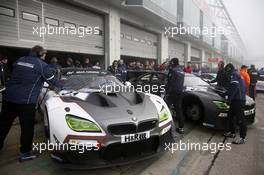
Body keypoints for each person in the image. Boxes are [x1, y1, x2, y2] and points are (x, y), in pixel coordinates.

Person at [0, 45, 62, 161]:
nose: (45, 56)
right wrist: (65, 87)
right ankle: (25, 153)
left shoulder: (20, 60)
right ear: (40, 54)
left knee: (3, 124)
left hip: (8, 98)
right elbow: (54, 81)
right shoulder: (42, 66)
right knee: (27, 128)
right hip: (26, 101)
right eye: (44, 54)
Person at [223, 63, 247, 144]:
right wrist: (224, 94)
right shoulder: (238, 74)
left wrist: (228, 99)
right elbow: (232, 88)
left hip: (238, 100)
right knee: (230, 116)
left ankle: (242, 138)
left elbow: (234, 87)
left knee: (240, 119)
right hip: (238, 99)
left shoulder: (234, 74)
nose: (226, 73)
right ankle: (232, 132)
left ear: (229, 69)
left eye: (226, 71)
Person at [165, 58, 185, 134]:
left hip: (173, 92)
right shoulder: (182, 71)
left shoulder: (172, 70)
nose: (170, 64)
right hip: (180, 92)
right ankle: (181, 128)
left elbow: (170, 83)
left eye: (170, 62)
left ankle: (166, 127)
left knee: (165, 108)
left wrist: (167, 93)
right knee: (179, 110)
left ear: (172, 63)